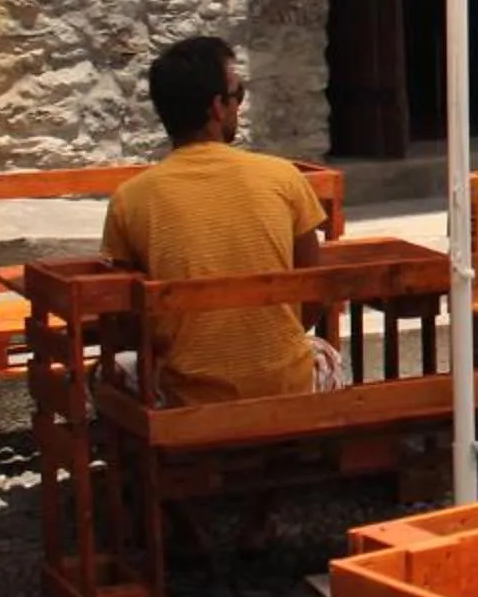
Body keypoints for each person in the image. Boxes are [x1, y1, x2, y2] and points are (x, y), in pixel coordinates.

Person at [100, 35, 338, 408]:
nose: (239, 106)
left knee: (107, 372)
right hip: (286, 385)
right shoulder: (284, 177)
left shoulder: (130, 198)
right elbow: (313, 294)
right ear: (217, 108)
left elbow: (129, 322)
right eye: (237, 95)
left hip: (188, 396)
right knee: (325, 355)